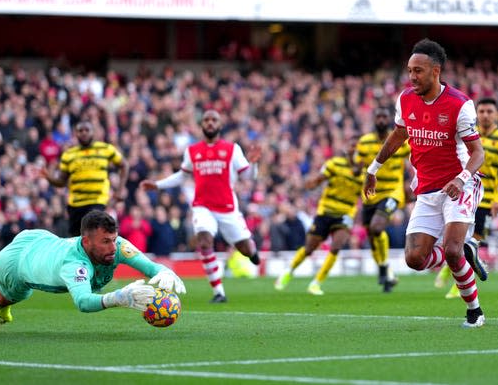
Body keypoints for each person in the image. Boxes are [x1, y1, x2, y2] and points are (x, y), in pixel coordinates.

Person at [364, 38, 488, 328]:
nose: (412, 77)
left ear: (436, 71)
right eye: (409, 71)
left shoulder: (460, 104)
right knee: (415, 259)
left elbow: (478, 153)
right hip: (427, 189)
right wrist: (374, 167)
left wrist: (462, 178)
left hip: (460, 185)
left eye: (418, 71)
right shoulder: (405, 99)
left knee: (453, 251)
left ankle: (474, 311)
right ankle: (464, 252)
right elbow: (398, 135)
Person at [0, 210, 186, 324]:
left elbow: (148, 266)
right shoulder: (74, 263)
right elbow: (83, 302)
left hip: (43, 240)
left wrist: (164, 271)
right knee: (11, 294)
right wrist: (118, 297)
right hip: (18, 262)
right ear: (86, 242)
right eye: (105, 242)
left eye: (113, 239)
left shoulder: (118, 246)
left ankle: (4, 306)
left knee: (13, 296)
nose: (112, 247)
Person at [140, 109, 261, 303]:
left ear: (220, 125)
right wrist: (158, 184)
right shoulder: (193, 151)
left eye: (214, 120)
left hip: (227, 207)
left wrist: (254, 164)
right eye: (206, 120)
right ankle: (218, 292)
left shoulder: (232, 149)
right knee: (204, 241)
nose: (210, 123)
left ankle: (252, 250)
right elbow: (183, 175)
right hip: (202, 206)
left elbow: (248, 175)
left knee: (245, 249)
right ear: (202, 125)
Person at [435, 97, 498, 298]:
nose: (486, 115)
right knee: (460, 239)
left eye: (490, 111)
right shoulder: (468, 135)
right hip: (466, 194)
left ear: (496, 114)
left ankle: (457, 282)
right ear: (476, 114)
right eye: (482, 111)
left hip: (488, 200)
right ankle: (452, 270)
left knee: (475, 240)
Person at [274, 135, 362, 295]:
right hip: (326, 210)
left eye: (357, 147)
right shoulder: (334, 164)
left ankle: (316, 283)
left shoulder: (366, 171)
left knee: (336, 246)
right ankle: (289, 270)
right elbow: (318, 180)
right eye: (351, 146)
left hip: (346, 213)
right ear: (346, 148)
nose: (354, 149)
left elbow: (369, 192)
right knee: (309, 248)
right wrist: (311, 183)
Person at [356, 107, 411, 293]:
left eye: (384, 117)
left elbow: (414, 161)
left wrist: (414, 184)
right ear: (374, 119)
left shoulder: (402, 141)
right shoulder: (364, 142)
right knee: (372, 235)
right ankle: (387, 272)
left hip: (392, 193)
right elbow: (357, 167)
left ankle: (382, 269)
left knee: (377, 227)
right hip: (371, 195)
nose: (381, 120)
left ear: (390, 119)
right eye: (378, 116)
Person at [41, 120, 129, 236]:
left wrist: (119, 190)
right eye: (80, 130)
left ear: (93, 132)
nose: (84, 133)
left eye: (87, 130)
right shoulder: (68, 155)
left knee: (93, 234)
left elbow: (124, 165)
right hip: (75, 203)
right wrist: (48, 177)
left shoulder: (105, 149)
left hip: (97, 201)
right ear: (75, 134)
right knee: (76, 239)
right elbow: (62, 182)